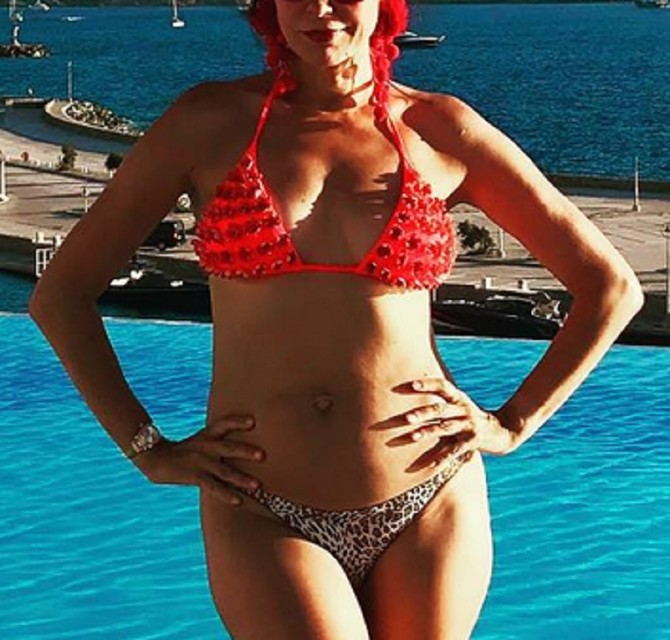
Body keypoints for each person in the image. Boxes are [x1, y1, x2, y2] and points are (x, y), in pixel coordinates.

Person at [29, 0, 643, 637]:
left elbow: (611, 288)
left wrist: (512, 424)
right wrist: (147, 449)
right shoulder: (208, 122)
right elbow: (61, 296)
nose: (320, 8)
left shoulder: (438, 128)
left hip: (431, 494)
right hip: (261, 506)